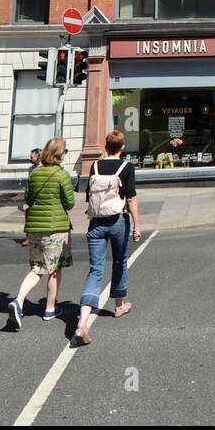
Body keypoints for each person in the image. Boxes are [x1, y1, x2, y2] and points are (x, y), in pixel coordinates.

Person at [73, 130, 141, 347]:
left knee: (95, 269)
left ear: (105, 146)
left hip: (96, 222)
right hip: (118, 221)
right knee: (120, 261)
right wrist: (137, 226)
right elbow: (131, 198)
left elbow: (88, 196)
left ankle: (82, 321)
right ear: (122, 147)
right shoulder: (126, 167)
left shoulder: (94, 166)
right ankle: (119, 305)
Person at [6, 137, 74, 330]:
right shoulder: (62, 175)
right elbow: (69, 203)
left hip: (35, 228)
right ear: (60, 154)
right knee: (54, 269)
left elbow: (27, 198)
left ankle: (18, 300)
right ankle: (50, 309)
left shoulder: (34, 173)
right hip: (56, 228)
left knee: (37, 268)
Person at [17, 147, 42, 248]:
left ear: (38, 157)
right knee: (29, 215)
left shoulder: (44, 168)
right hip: (33, 197)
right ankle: (29, 237)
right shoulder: (31, 169)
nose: (30, 159)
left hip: (41, 197)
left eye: (32, 157)